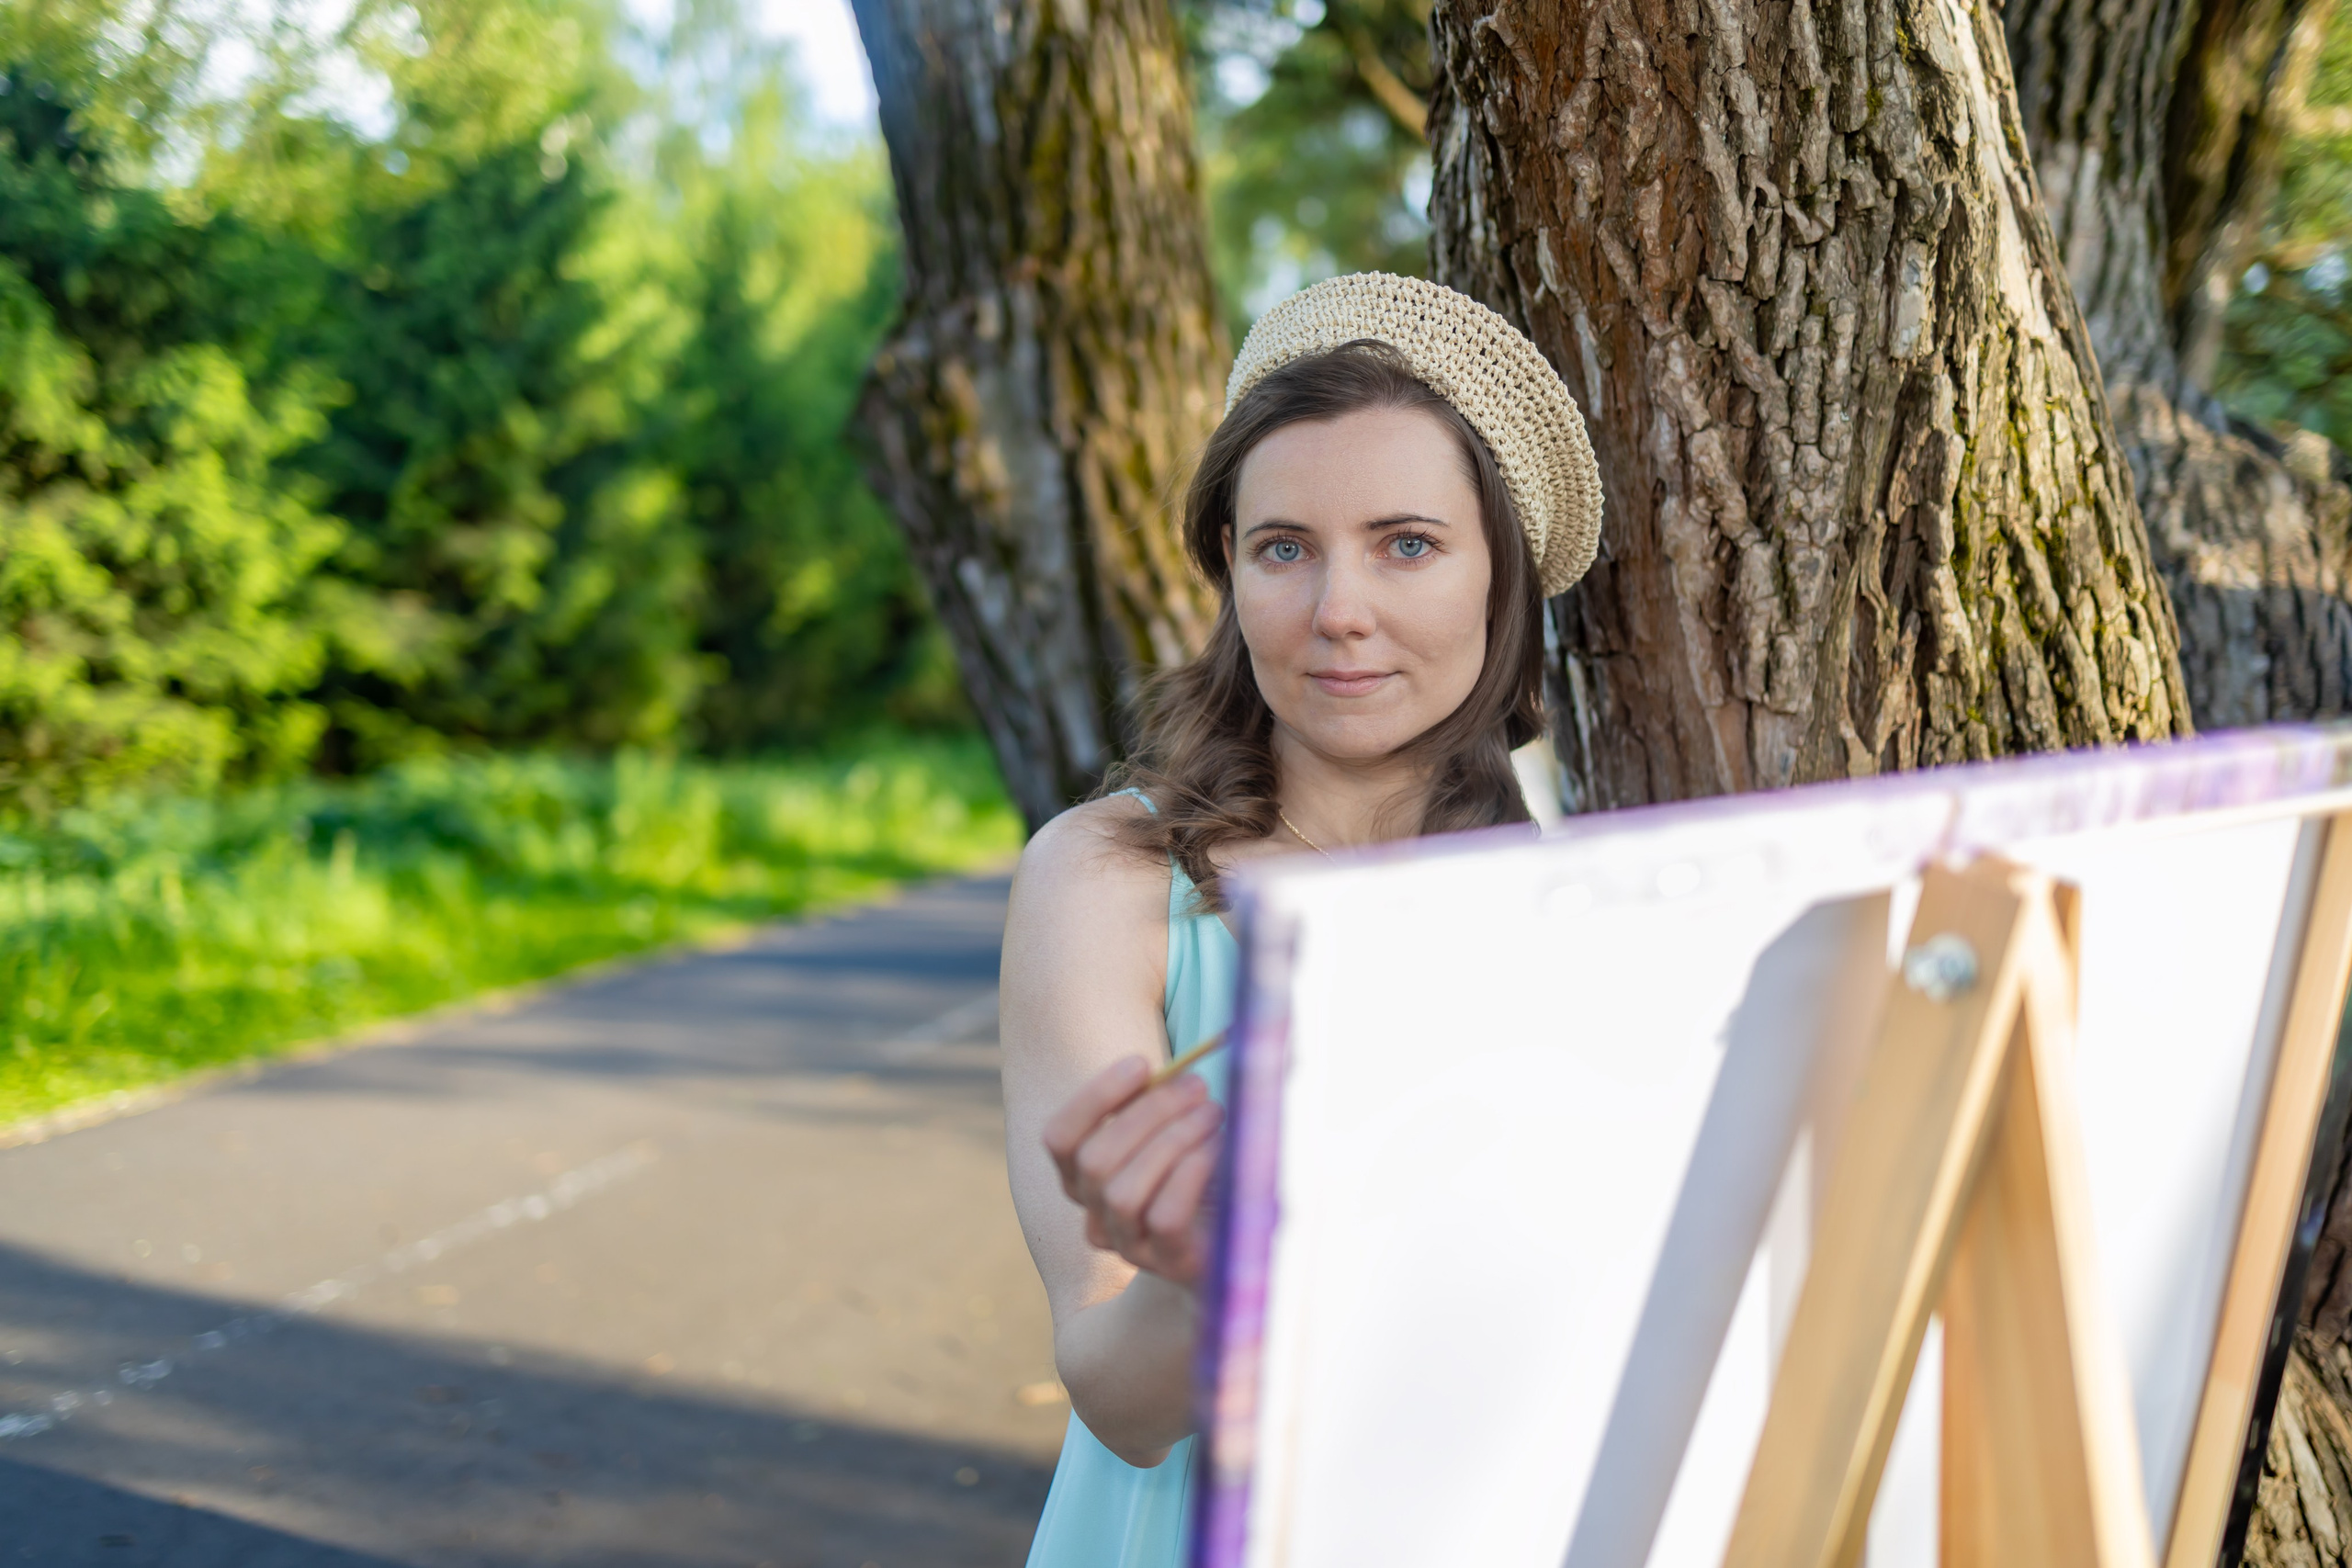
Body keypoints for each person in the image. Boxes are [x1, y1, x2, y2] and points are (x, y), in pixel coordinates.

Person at [997, 272, 1605, 1568]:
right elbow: (1119, 1398)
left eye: (1408, 544)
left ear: (1501, 578)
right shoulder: (1109, 882)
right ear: (1230, 563)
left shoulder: (1591, 915)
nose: (1339, 609)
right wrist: (1194, 1269)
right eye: (1285, 547)